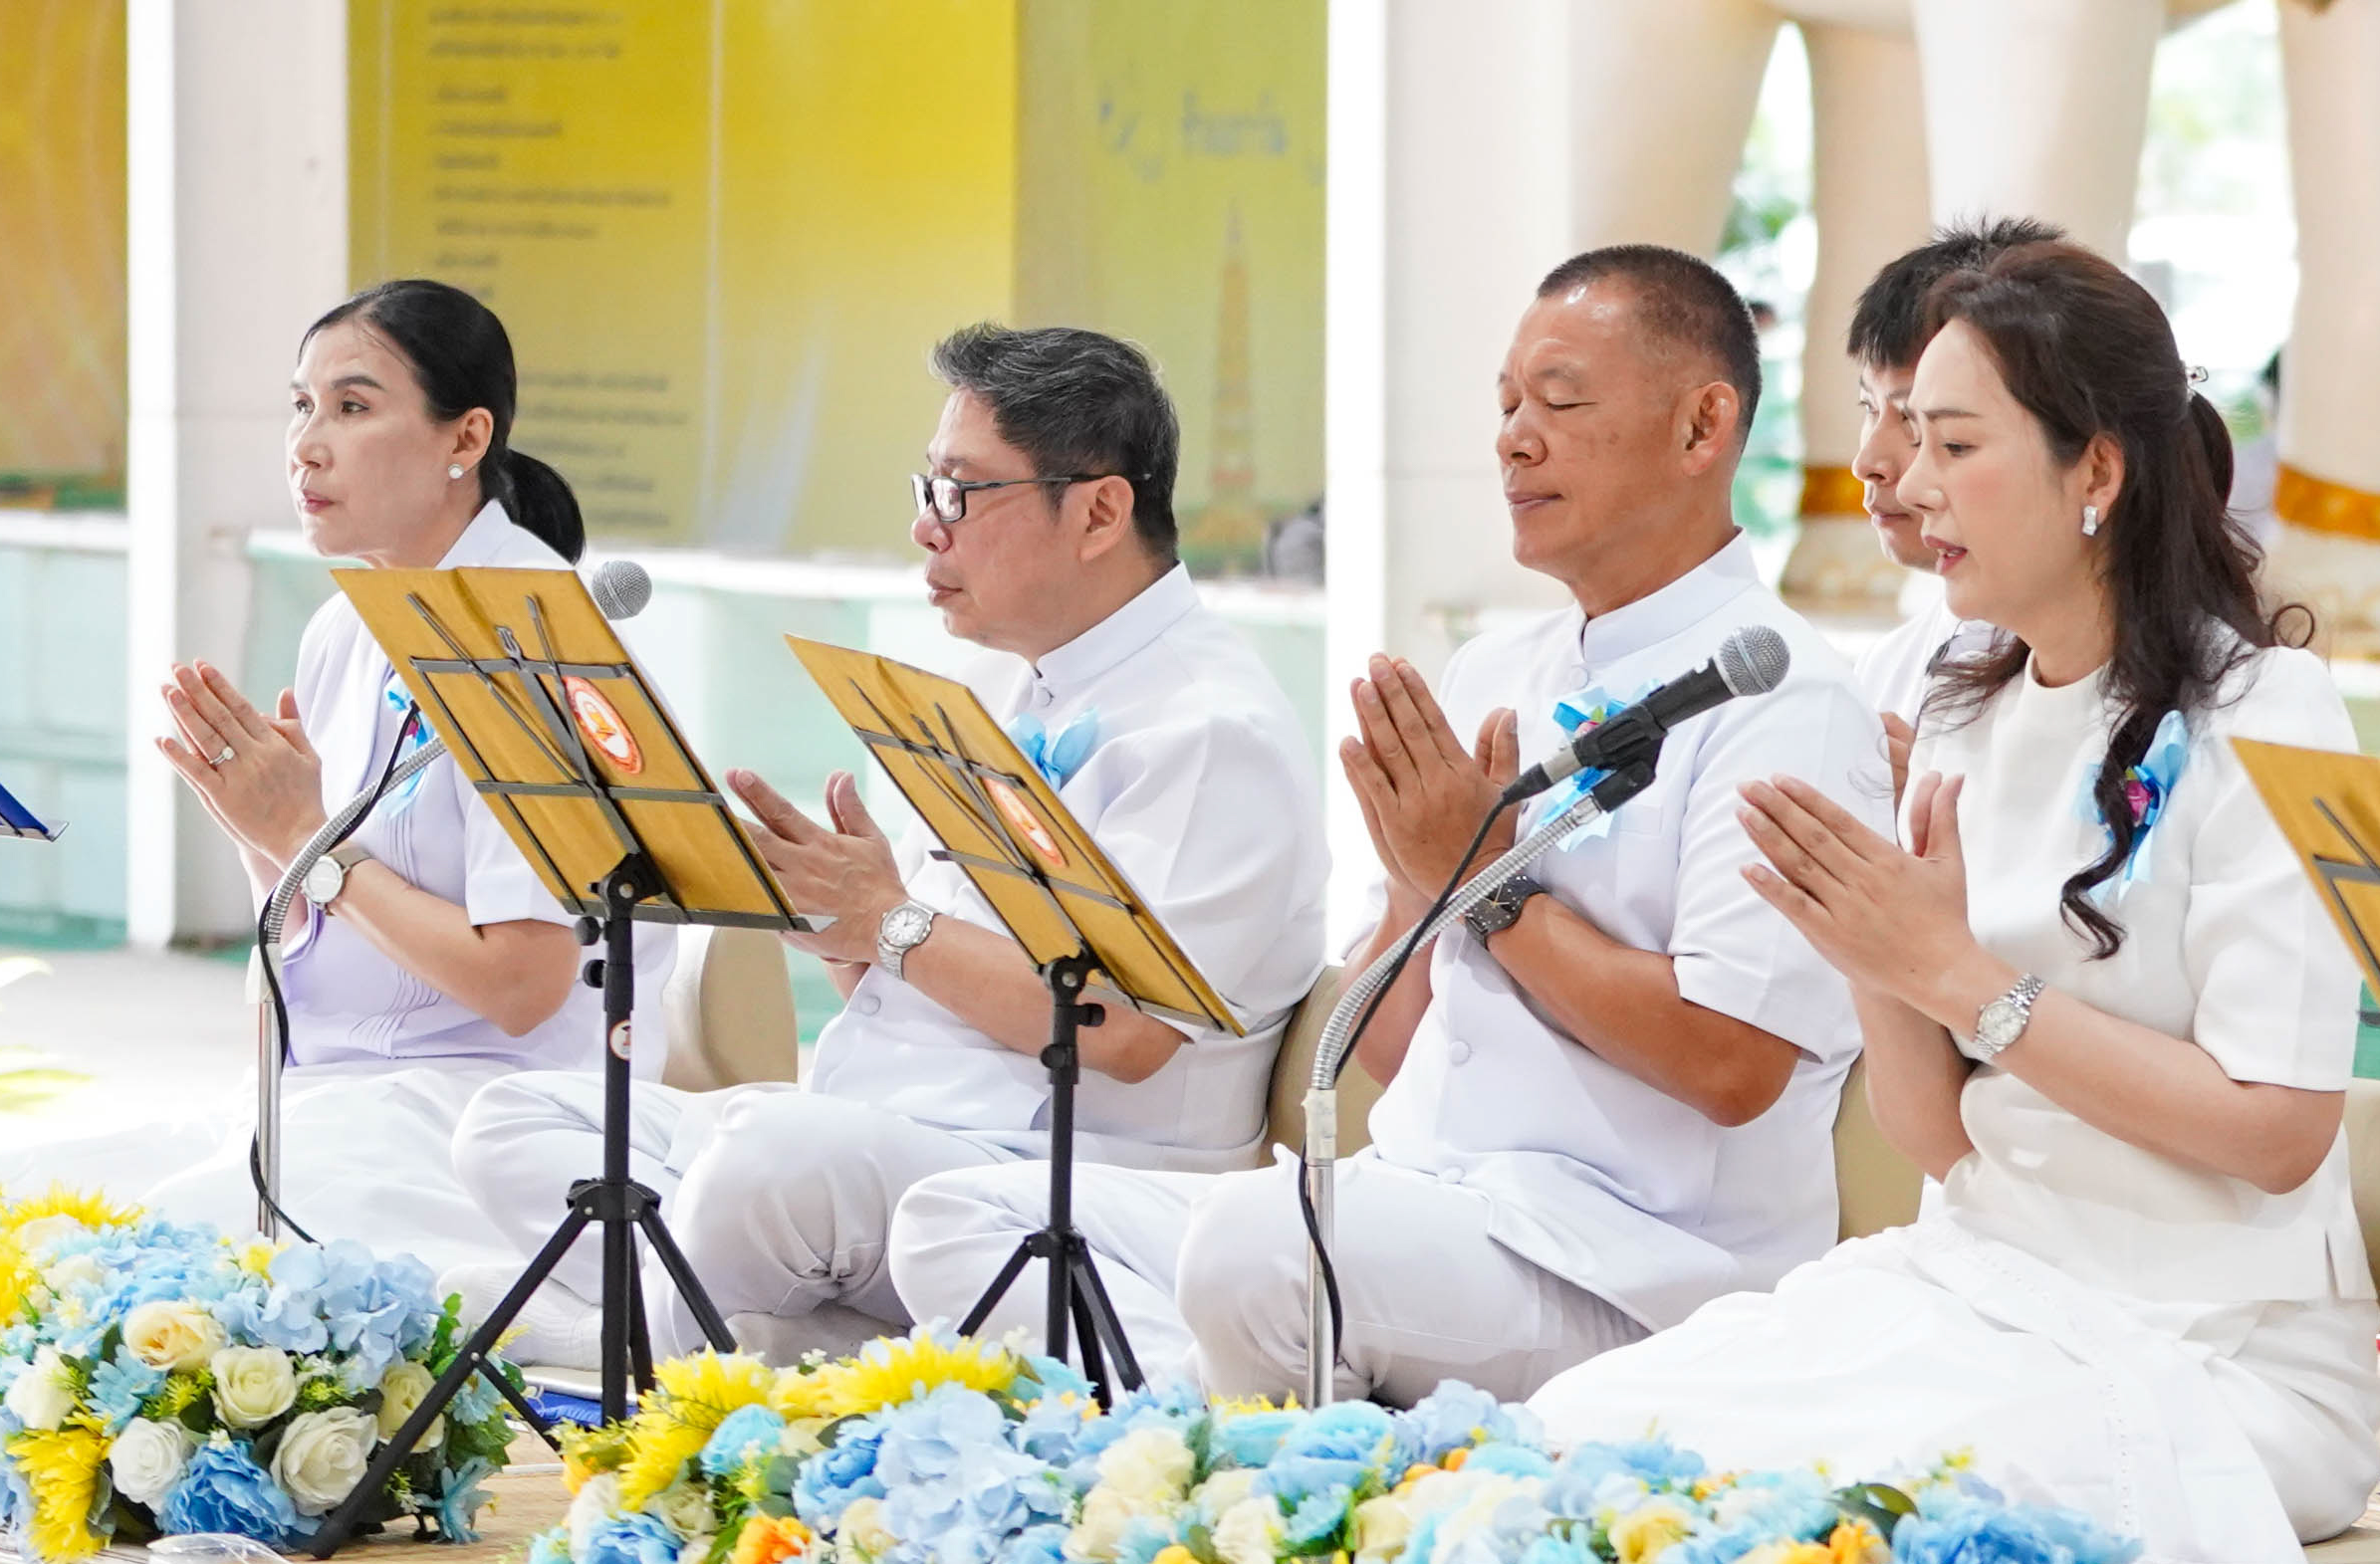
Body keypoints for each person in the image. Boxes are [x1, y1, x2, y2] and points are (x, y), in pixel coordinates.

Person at [1526, 241, 2379, 1564]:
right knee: (1590, 1436)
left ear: (2096, 469)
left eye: (1956, 444)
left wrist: (1960, 977)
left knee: (1857, 1515)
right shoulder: (1962, 706)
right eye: (1911, 438)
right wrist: (1873, 946)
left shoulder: (2270, 715)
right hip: (1979, 1290)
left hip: (2209, 1350)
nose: (1913, 487)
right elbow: (1936, 1140)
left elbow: (2275, 1133)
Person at [446, 328, 1325, 1385]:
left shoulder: (1208, 728)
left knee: (763, 1167)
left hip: (1073, 1169)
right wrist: (839, 920)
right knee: (517, 1121)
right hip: (903, 1126)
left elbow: (1129, 1031)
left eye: (960, 493)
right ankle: (816, 1352)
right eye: (927, 486)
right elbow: (905, 976)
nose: (924, 526)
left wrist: (893, 924)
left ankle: (702, 1367)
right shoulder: (1010, 684)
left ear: (1097, 510)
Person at [1150, 247, 1887, 1406]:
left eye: (1560, 400)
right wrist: (1415, 889)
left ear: (1705, 425)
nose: (1512, 438)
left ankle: (1288, 1552)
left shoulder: (1786, 697)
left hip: (1638, 1266)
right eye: (1504, 405)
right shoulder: (1499, 668)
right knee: (1027, 1228)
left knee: (1253, 1253)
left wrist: (1485, 888)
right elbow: (1386, 1053)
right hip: (1442, 1196)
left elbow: (1734, 1065)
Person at [146, 283, 592, 1289]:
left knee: (142, 1263)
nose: (307, 443)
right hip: (334, 1094)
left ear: (465, 436)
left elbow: (523, 986)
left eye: (351, 407)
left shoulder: (530, 636)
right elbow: (304, 934)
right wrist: (264, 829)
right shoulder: (345, 629)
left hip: (473, 1112)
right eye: (300, 406)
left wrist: (318, 842)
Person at [1842, 214, 2060, 763]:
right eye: (1869, 409)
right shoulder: (1887, 667)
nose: (1868, 462)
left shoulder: (2233, 700)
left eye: (1922, 424)